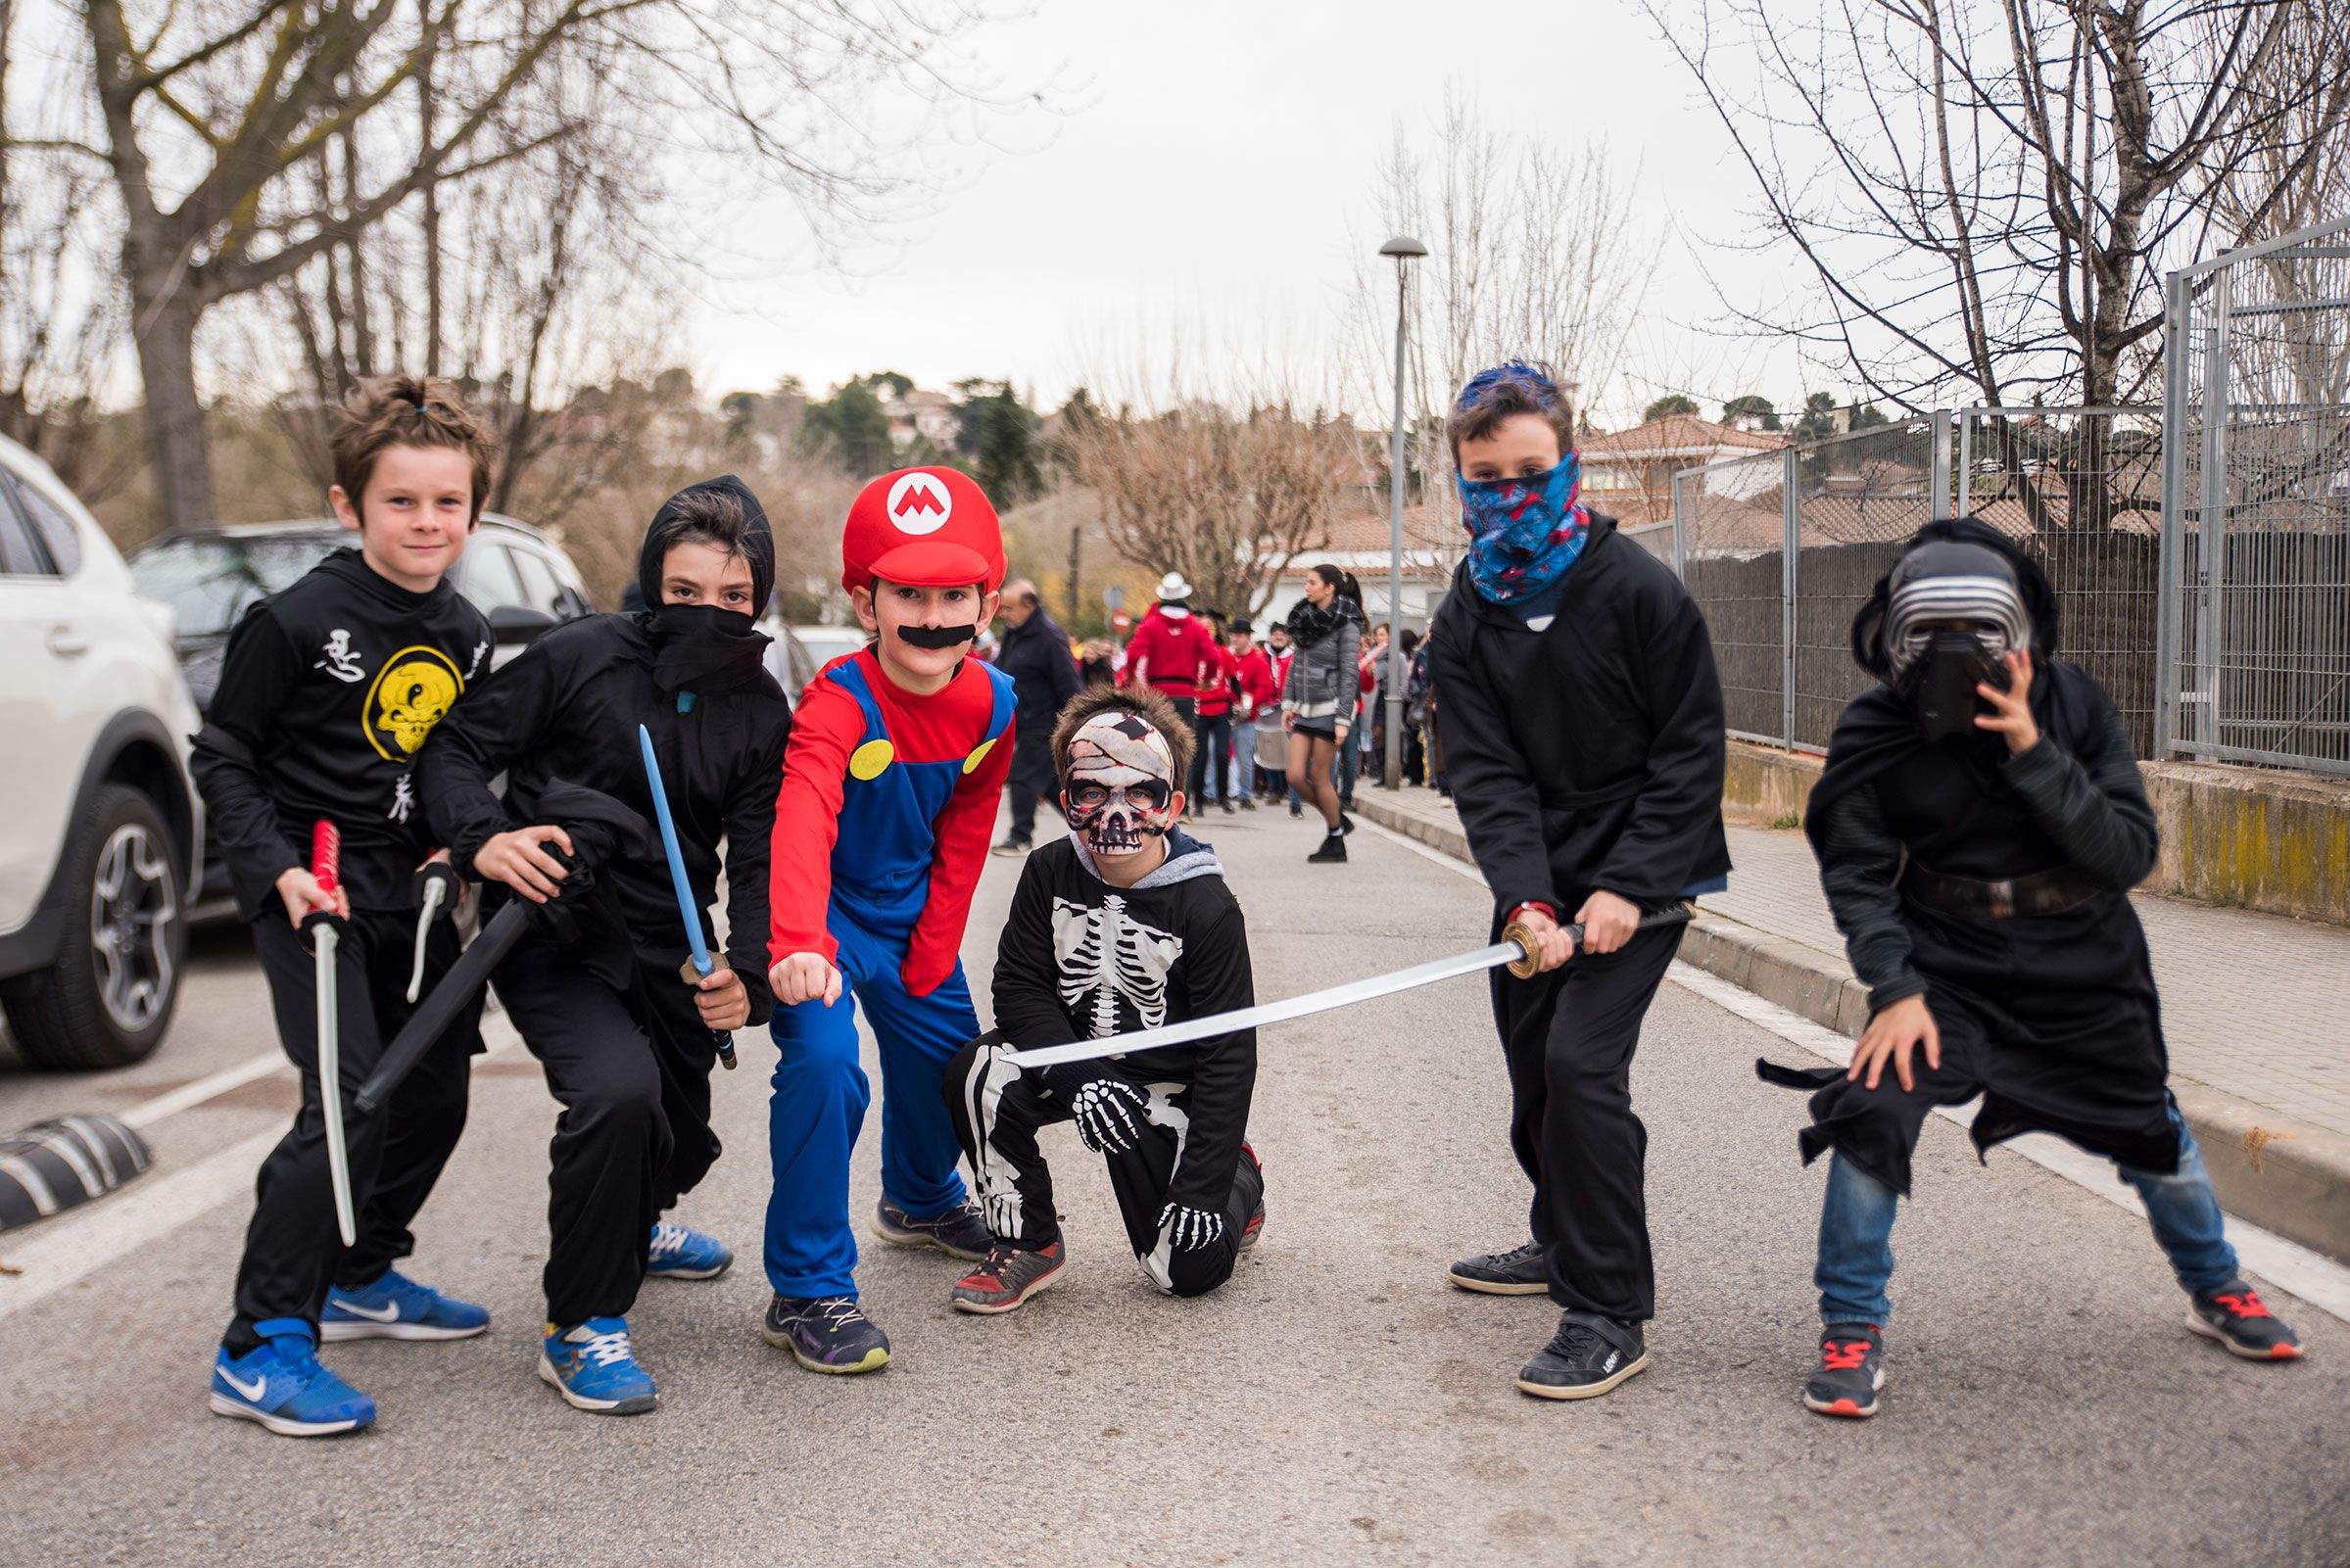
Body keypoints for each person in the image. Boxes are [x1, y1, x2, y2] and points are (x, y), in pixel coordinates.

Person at [1760, 517, 2301, 1421]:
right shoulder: (1874, 726)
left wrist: (2030, 749)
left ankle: (2216, 1286)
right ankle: (1850, 1326)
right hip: (1948, 965)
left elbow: (2125, 854)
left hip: (2083, 962)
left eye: (1978, 629)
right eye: (1931, 632)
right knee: (1872, 1109)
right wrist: (1893, 992)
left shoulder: (2075, 704)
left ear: (2020, 631)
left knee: (2149, 1129)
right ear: (1894, 632)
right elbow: (1855, 874)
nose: (1955, 653)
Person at [417, 477, 791, 1416]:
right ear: (650, 584)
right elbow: (453, 747)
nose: (711, 611)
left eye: (735, 597)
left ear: (761, 598)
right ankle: (580, 1321)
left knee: (685, 1137)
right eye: (685, 592)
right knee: (617, 1095)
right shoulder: (580, 652)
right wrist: (484, 839)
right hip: (556, 927)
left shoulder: (758, 707)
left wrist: (747, 973)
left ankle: (637, 1219)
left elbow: (757, 856)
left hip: (672, 938)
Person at [194, 376, 498, 1438]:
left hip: (409, 902)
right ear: (348, 506)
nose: (426, 522)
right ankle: (261, 1340)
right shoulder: (292, 620)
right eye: (401, 501)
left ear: (472, 508)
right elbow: (222, 756)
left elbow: (455, 770)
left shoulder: (464, 631)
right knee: (344, 1108)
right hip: (310, 893)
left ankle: (361, 1272)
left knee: (435, 1095)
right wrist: (274, 867)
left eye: (446, 502)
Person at [1428, 359, 1729, 1402]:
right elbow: (1483, 769)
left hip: (1643, 869)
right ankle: (1560, 1238)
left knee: (1580, 1069)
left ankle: (1607, 1308)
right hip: (1539, 885)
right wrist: (1526, 898)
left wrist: (1627, 889)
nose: (1509, 493)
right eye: (1486, 475)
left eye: (1529, 469)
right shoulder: (1465, 611)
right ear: (1461, 479)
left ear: (1568, 461)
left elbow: (1689, 754)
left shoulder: (1640, 590)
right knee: (1531, 1079)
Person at [761, 465, 1015, 1374]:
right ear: (866, 603)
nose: (935, 614)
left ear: (986, 600)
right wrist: (795, 942)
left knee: (949, 1062)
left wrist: (937, 941)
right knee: (828, 1068)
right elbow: (801, 817)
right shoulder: (838, 701)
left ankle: (916, 1196)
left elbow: (967, 824)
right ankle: (806, 1287)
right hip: (823, 921)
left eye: (956, 593)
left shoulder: (994, 701)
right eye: (910, 593)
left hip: (913, 922)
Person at [942, 685, 1265, 1312]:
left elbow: (1229, 1054)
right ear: (1067, 802)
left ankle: (1238, 1181)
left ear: (1170, 806)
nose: (1115, 816)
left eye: (1138, 794)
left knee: (1185, 1273)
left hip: (1165, 1090)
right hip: (1075, 1064)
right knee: (979, 1072)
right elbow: (1018, 988)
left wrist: (1204, 1180)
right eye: (1093, 792)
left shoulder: (1206, 907)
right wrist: (1080, 1076)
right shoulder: (1049, 871)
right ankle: (1027, 1239)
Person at [990, 578, 1081, 857]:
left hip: (1046, 723)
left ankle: (1020, 837)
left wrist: (1074, 724)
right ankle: (1088, 825)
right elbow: (1002, 668)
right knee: (1052, 784)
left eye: (1009, 608)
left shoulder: (1049, 637)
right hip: (1023, 720)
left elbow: (1069, 684)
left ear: (1028, 605)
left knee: (1022, 777)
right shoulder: (1014, 633)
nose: (1004, 614)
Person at [1281, 564, 1363, 863]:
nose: (1307, 587)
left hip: (1331, 709)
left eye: (1312, 582)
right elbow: (1295, 665)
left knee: (1319, 777)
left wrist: (1343, 719)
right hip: (1304, 709)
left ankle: (1335, 838)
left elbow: (1349, 673)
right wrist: (1288, 703)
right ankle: (1337, 819)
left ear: (1329, 588)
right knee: (1294, 776)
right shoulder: (1304, 618)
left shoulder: (1349, 622)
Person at [1120, 571, 1221, 725]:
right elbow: (1212, 657)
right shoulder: (1196, 627)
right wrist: (1207, 679)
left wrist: (1131, 678)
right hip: (1186, 693)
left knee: (1157, 743)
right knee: (1185, 745)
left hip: (1157, 694)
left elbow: (1133, 654)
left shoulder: (1150, 625)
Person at [1189, 607, 1236, 816]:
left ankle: (1223, 796)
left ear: (1216, 631)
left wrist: (1239, 702)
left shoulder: (1224, 653)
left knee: (1222, 755)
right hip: (1199, 709)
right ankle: (1198, 801)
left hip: (1221, 709)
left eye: (1210, 628)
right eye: (1203, 628)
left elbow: (1233, 680)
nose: (1207, 631)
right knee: (1199, 758)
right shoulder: (1192, 653)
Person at [1227, 618, 1273, 811]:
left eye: (1239, 635)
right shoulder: (1227, 657)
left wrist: (1250, 702)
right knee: (1219, 755)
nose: (1235, 639)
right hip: (1225, 713)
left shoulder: (1258, 660)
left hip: (1247, 717)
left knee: (1244, 757)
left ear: (1247, 637)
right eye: (1233, 635)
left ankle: (1246, 794)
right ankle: (1215, 792)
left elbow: (1266, 688)